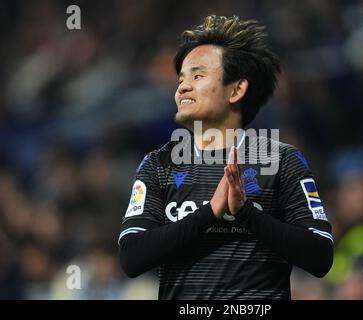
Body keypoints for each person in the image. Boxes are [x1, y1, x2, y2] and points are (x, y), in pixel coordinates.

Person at [118, 15, 333, 300]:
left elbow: (320, 256)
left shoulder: (282, 161)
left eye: (197, 76)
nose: (182, 87)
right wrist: (209, 213)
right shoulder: (158, 164)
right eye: (181, 79)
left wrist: (246, 213)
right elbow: (131, 258)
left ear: (236, 89)